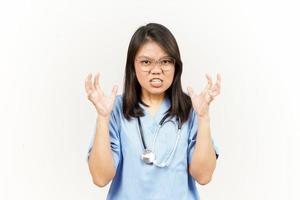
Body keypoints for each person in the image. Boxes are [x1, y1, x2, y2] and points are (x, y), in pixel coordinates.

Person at [85, 23, 221, 200]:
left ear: (175, 66)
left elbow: (203, 176)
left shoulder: (192, 108)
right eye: (146, 62)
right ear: (133, 66)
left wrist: (204, 117)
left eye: (165, 61)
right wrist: (103, 117)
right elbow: (100, 178)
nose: (156, 70)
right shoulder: (114, 109)